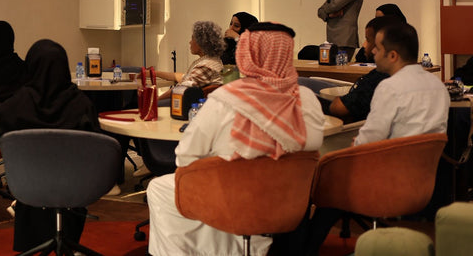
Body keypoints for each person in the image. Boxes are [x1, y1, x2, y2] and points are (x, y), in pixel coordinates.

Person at [147, 22, 325, 256]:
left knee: (159, 187)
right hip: (290, 200)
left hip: (236, 199)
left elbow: (184, 157)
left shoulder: (226, 99)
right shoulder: (308, 98)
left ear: (247, 55)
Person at [304, 22, 450, 255]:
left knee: (325, 182)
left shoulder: (390, 87)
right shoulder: (438, 87)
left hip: (385, 179)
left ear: (393, 55)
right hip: (422, 181)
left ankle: (303, 249)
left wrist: (352, 149)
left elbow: (370, 139)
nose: (371, 51)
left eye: (378, 48)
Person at [0, 39, 100, 252]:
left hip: (28, 187)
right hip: (75, 187)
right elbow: (97, 150)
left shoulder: (16, 105)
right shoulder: (81, 104)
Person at [328, 16, 401, 121]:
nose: (364, 45)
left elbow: (339, 108)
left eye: (368, 40)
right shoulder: (415, 79)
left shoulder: (377, 79)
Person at [157, 20, 226, 101]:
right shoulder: (213, 60)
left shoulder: (205, 65)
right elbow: (184, 77)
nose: (190, 42)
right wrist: (156, 73)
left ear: (202, 43)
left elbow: (181, 88)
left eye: (193, 38)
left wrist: (155, 100)